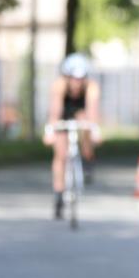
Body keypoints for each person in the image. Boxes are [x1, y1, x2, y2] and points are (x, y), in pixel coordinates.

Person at [43, 52, 102, 219]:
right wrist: (50, 131)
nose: (77, 83)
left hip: (81, 113)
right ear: (67, 77)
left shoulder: (91, 88)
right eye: (74, 79)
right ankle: (59, 194)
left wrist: (94, 130)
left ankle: (88, 158)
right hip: (64, 114)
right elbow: (54, 113)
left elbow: (92, 112)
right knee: (60, 154)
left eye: (81, 79)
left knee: (86, 126)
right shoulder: (59, 86)